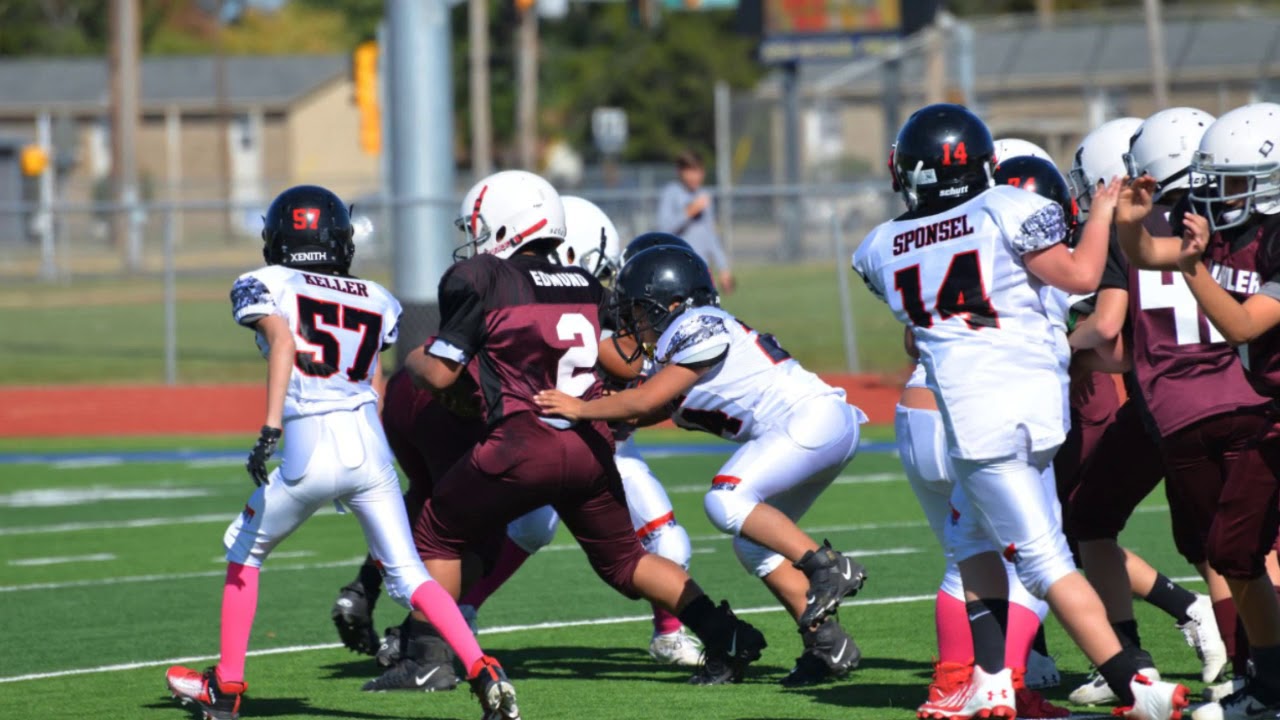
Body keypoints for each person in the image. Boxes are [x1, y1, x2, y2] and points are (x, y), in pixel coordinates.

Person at [852, 103, 1189, 720]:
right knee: (971, 539)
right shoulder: (1007, 207)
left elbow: (922, 325)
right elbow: (1080, 274)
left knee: (1044, 561)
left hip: (977, 417)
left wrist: (1106, 214)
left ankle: (1136, 685)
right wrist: (1100, 215)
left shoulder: (879, 246)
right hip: (1035, 405)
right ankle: (992, 682)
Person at [164, 185, 518, 720]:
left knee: (244, 551)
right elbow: (374, 380)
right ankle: (484, 671)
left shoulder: (265, 282)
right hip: (369, 447)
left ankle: (227, 685)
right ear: (339, 239)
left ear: (278, 238)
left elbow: (284, 343)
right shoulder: (377, 297)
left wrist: (268, 429)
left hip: (310, 445)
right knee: (411, 576)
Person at [405, 169, 768, 686]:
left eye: (480, 226)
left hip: (520, 444)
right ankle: (724, 633)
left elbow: (441, 373)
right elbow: (621, 361)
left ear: (507, 223)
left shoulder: (484, 276)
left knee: (437, 533)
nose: (475, 238)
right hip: (588, 448)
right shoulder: (583, 284)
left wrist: (414, 360)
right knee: (626, 561)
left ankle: (427, 660)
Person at [535, 244, 868, 687]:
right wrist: (603, 422)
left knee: (726, 498)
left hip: (813, 420)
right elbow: (648, 409)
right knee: (753, 544)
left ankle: (829, 566)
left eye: (640, 311)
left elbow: (647, 398)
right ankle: (826, 643)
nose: (635, 324)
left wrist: (579, 408)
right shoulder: (678, 349)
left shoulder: (698, 324)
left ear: (673, 303)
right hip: (808, 431)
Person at [1116, 101, 1280, 720]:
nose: (1220, 196)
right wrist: (1131, 224)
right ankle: (1269, 687)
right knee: (1233, 549)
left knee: (1238, 548)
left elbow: (1241, 323)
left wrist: (1192, 267)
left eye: (1236, 182)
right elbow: (1147, 256)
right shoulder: (1241, 232)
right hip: (1268, 411)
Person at [656, 149, 734, 294]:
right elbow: (663, 230)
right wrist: (689, 212)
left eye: (698, 171)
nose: (695, 176)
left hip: (702, 266)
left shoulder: (704, 195)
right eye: (690, 171)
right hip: (678, 268)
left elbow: (710, 235)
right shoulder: (671, 193)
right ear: (680, 172)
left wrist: (723, 267)